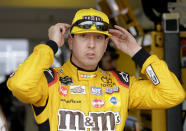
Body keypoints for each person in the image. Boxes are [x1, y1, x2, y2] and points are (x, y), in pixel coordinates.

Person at [7, 8, 185, 131]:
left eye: (99, 38)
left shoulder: (122, 84)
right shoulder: (49, 81)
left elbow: (173, 94)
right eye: (84, 37)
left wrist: (137, 52)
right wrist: (52, 45)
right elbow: (20, 85)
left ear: (106, 44)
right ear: (70, 41)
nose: (91, 45)